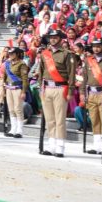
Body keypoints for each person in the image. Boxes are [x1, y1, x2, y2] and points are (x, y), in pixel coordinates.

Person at [38, 29, 75, 158]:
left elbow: (71, 74)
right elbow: (41, 72)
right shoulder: (44, 54)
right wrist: (40, 88)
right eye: (50, 37)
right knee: (50, 119)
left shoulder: (67, 54)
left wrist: (70, 90)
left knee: (60, 119)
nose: (52, 39)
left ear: (60, 38)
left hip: (61, 88)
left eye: (55, 37)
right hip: (47, 88)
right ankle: (51, 145)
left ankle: (60, 146)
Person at [84, 38, 102, 155]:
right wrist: (82, 93)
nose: (96, 48)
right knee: (95, 120)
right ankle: (96, 146)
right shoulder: (88, 60)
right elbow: (85, 78)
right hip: (91, 93)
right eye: (94, 46)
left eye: (98, 46)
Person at [3, 46, 29, 139]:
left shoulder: (22, 64)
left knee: (18, 109)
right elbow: (5, 77)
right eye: (9, 53)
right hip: (9, 88)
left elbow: (25, 79)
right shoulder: (7, 63)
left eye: (12, 53)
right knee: (11, 109)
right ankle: (13, 129)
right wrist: (4, 89)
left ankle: (19, 130)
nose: (10, 55)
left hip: (18, 88)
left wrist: (23, 91)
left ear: (17, 54)